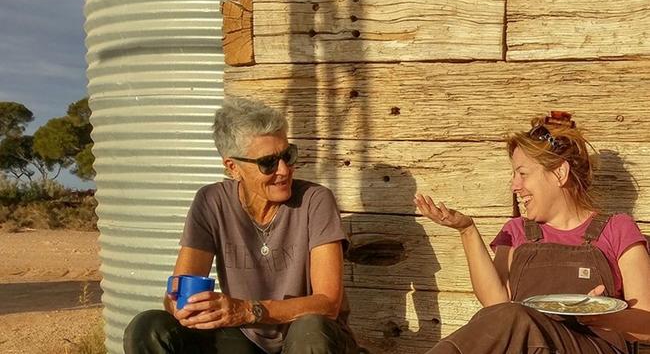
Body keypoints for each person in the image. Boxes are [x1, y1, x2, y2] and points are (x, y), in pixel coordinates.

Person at [123, 97, 358, 354]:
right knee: (148, 327)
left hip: (310, 337)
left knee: (309, 330)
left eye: (288, 155)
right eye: (268, 162)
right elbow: (180, 288)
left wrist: (247, 310)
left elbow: (328, 303)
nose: (284, 170)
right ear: (233, 167)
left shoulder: (315, 201)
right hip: (245, 340)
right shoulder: (212, 201)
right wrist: (182, 307)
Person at [414, 111, 650, 354]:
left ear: (560, 173)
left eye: (523, 174)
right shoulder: (517, 232)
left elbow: (647, 325)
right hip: (530, 346)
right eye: (514, 175)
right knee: (511, 317)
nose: (515, 185)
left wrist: (598, 316)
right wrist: (466, 230)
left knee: (516, 318)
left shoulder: (617, 229)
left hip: (594, 348)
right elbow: (496, 308)